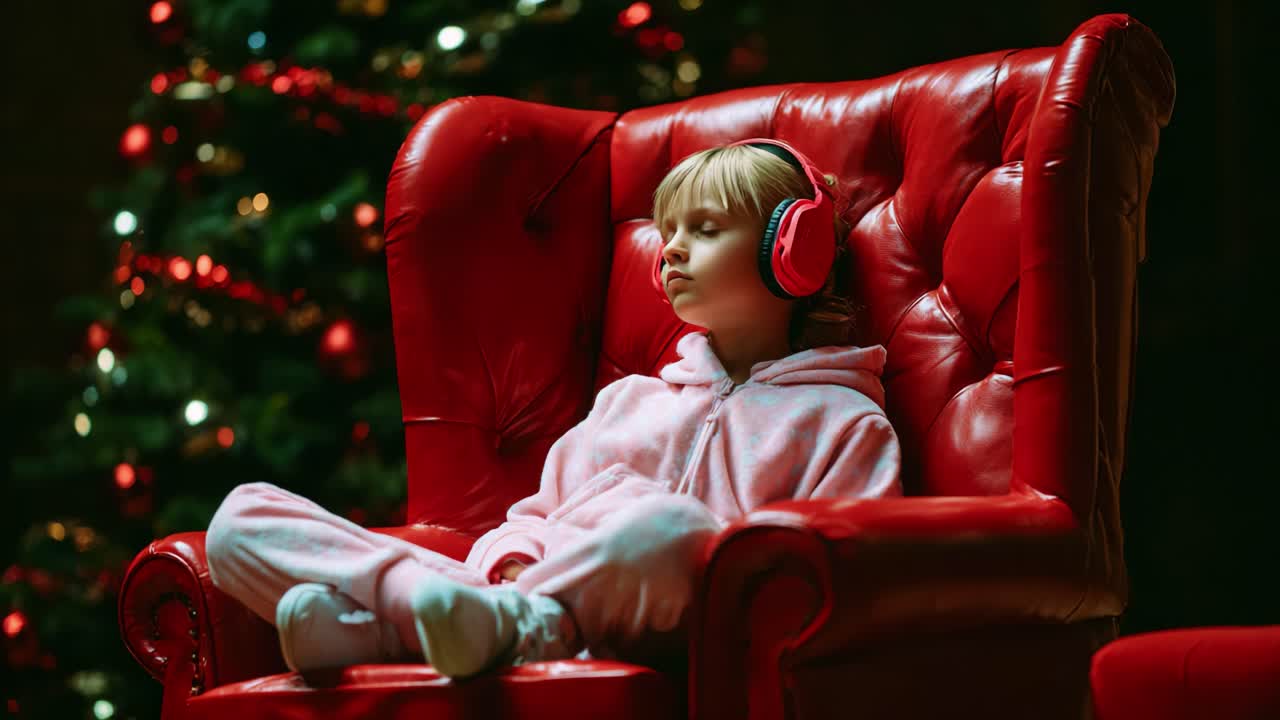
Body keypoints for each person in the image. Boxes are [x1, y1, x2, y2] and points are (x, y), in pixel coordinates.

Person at [204, 138, 903, 682]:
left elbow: (836, 587)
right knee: (241, 517)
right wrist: (512, 563)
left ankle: (393, 631)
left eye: (707, 227)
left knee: (673, 528)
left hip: (669, 624)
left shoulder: (843, 423)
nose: (673, 250)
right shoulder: (629, 401)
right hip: (509, 597)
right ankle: (459, 617)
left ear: (794, 250)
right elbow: (529, 523)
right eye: (669, 231)